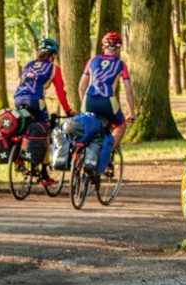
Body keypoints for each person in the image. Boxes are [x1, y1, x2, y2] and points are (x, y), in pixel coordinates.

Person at [13, 37, 75, 186]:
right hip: (36, 101)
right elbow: (60, 92)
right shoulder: (54, 68)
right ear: (53, 55)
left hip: (18, 99)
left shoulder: (28, 65)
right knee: (45, 131)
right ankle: (44, 173)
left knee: (25, 127)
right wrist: (68, 111)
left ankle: (19, 156)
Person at [78, 32, 136, 150]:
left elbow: (81, 87)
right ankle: (105, 152)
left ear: (103, 46)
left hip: (88, 100)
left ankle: (78, 158)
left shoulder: (92, 61)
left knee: (84, 127)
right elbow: (128, 90)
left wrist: (84, 104)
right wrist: (131, 112)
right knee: (121, 126)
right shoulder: (121, 64)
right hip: (107, 101)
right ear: (118, 48)